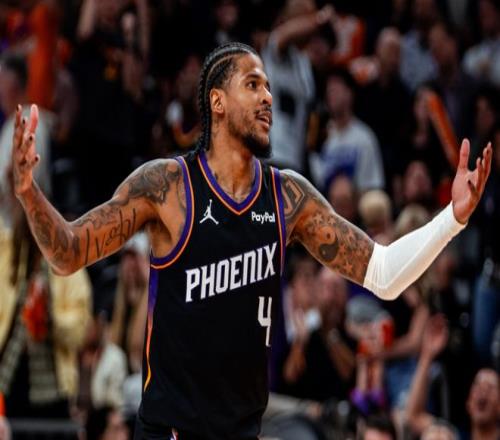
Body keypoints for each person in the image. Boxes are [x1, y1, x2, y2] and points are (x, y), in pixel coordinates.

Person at [11, 42, 492, 440]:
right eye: (253, 84)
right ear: (217, 101)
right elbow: (68, 252)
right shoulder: (167, 187)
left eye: (268, 87)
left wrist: (452, 218)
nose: (267, 98)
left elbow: (384, 275)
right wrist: (30, 193)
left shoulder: (288, 197)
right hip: (170, 431)